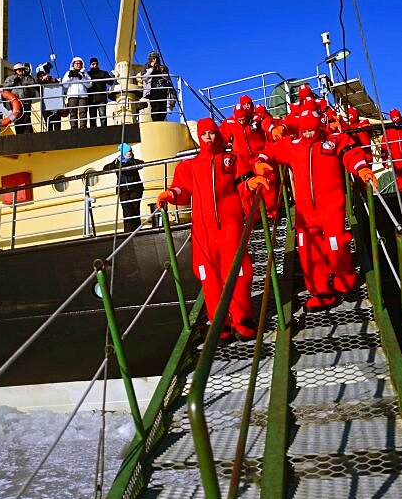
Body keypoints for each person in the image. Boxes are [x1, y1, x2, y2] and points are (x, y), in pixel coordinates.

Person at [255, 109, 377, 311]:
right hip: (305, 213)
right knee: (308, 252)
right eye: (305, 130)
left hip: (331, 208)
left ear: (319, 127)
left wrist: (361, 169)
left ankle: (344, 279)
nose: (309, 134)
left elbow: (351, 154)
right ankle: (321, 292)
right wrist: (260, 163)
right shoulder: (293, 146)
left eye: (312, 130)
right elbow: (270, 150)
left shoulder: (333, 142)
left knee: (336, 244)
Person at [156, 118, 265, 340]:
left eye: (212, 133)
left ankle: (242, 320)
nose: (208, 137)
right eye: (204, 134)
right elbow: (182, 190)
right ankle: (219, 322)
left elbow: (243, 181)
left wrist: (250, 184)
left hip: (230, 228)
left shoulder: (231, 160)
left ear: (218, 135)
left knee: (238, 273)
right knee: (210, 278)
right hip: (203, 234)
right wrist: (170, 194)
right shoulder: (189, 166)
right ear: (199, 136)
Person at [219, 95, 281, 220]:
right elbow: (221, 136)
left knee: (267, 180)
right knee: (245, 187)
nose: (242, 122)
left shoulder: (255, 119)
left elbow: (266, 122)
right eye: (239, 120)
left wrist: (273, 129)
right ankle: (252, 215)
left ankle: (272, 211)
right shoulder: (230, 123)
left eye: (243, 119)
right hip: (242, 161)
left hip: (258, 157)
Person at [103, 143, 146, 233]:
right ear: (124, 152)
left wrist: (128, 163)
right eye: (128, 151)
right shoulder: (117, 162)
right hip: (123, 191)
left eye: (130, 151)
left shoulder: (133, 161)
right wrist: (116, 164)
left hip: (135, 189)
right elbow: (105, 168)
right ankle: (128, 232)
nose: (130, 152)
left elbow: (141, 164)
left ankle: (137, 231)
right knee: (127, 212)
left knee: (135, 210)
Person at [142, 51, 175, 122]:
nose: (155, 60)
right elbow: (144, 78)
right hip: (153, 91)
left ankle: (161, 121)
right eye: (153, 58)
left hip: (163, 91)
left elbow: (168, 78)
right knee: (155, 108)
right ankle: (156, 122)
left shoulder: (162, 67)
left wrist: (163, 71)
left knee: (162, 109)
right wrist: (151, 68)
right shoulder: (146, 67)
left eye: (156, 58)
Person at [62, 57, 90, 129]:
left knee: (83, 112)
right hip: (72, 95)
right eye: (76, 63)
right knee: (73, 112)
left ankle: (83, 127)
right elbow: (64, 84)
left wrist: (82, 78)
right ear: (73, 64)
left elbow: (89, 84)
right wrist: (70, 76)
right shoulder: (68, 73)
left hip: (83, 95)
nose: (78, 65)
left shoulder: (84, 74)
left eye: (79, 63)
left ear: (82, 64)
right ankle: (73, 127)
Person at [36, 62, 65, 132]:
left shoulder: (51, 80)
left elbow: (60, 87)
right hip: (46, 106)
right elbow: (37, 84)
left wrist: (54, 80)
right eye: (41, 75)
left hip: (55, 104)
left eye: (44, 74)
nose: (43, 76)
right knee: (48, 124)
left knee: (57, 124)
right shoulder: (38, 83)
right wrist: (43, 80)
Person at [86, 57, 114, 128]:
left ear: (98, 64)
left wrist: (112, 76)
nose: (94, 65)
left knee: (103, 115)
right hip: (91, 99)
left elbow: (111, 82)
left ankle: (104, 130)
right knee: (92, 117)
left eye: (96, 64)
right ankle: (93, 132)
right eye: (93, 64)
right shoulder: (87, 75)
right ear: (90, 65)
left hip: (101, 99)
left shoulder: (103, 73)